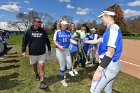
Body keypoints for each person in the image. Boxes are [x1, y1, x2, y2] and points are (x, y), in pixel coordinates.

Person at [83, 4, 124, 93]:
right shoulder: (109, 29)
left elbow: (110, 52)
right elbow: (98, 40)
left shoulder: (113, 29)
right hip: (109, 64)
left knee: (94, 90)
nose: (101, 19)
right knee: (107, 89)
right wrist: (85, 41)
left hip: (109, 65)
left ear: (107, 15)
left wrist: (99, 70)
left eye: (102, 17)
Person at [22, 17, 51, 89]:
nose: (39, 23)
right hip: (32, 53)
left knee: (41, 66)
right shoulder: (28, 31)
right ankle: (36, 74)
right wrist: (23, 51)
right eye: (38, 22)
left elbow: (47, 41)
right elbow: (24, 42)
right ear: (34, 22)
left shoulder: (43, 31)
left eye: (40, 22)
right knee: (34, 66)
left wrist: (49, 49)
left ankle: (42, 82)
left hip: (42, 52)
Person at [53, 17, 77, 87]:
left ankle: (62, 72)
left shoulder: (68, 32)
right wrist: (60, 47)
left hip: (67, 50)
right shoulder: (57, 31)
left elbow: (71, 40)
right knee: (62, 65)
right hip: (59, 50)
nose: (65, 25)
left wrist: (77, 43)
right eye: (64, 24)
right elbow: (54, 41)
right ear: (61, 24)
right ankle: (62, 79)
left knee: (69, 66)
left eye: (66, 24)